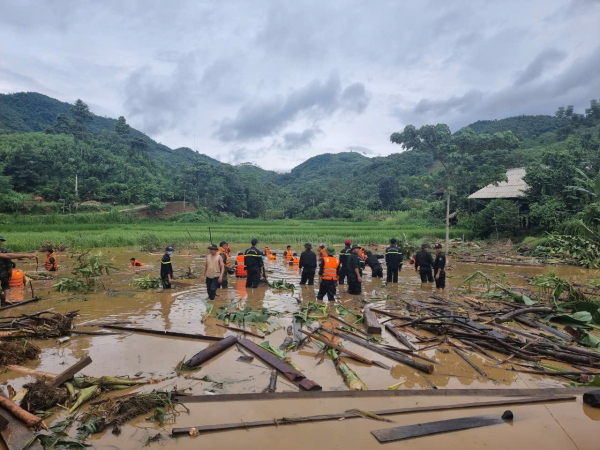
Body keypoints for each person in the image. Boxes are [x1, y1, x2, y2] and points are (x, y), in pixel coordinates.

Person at [0, 235, 38, 305]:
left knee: (5, 283)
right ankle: (7, 299)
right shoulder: (4, 250)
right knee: (5, 284)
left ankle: (6, 299)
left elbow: (9, 258)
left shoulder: (4, 249)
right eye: (1, 241)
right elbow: (8, 257)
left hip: (3, 272)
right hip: (4, 272)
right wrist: (26, 255)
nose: (1, 242)